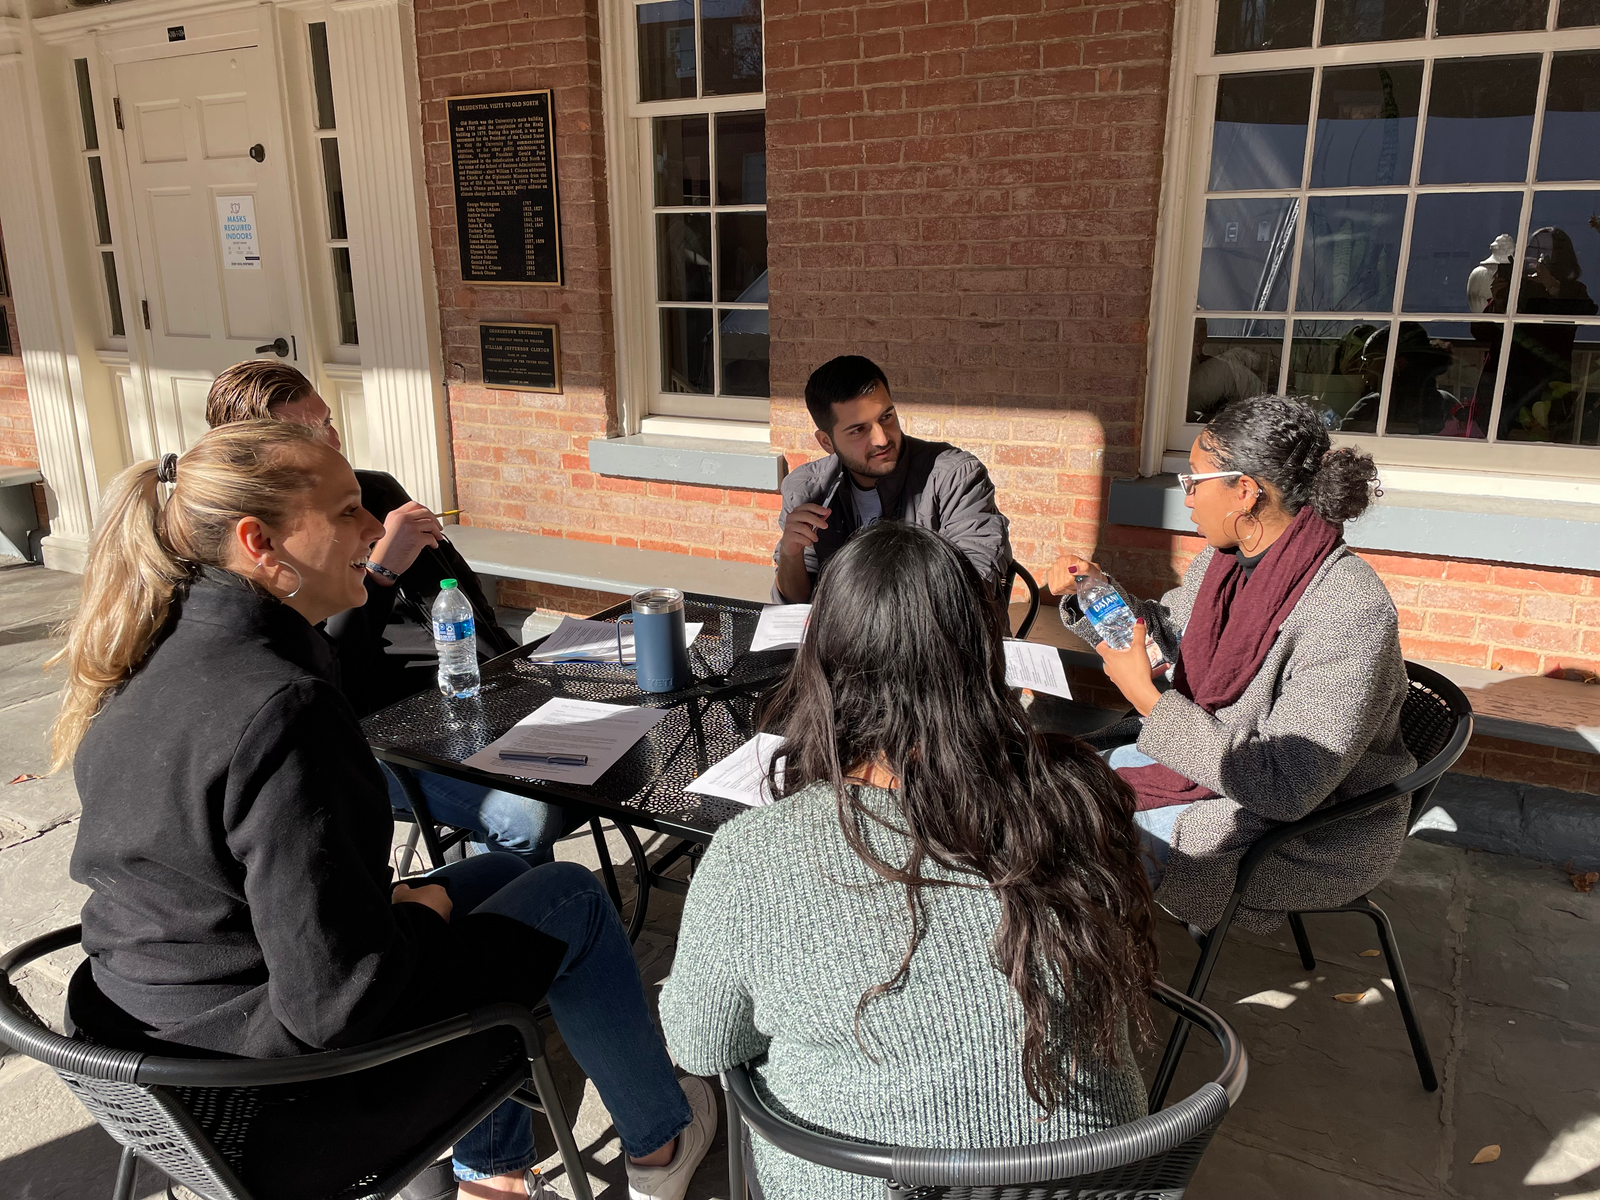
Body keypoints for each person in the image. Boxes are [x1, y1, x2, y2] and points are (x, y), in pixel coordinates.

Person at [54, 422, 717, 1200]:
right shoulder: (283, 707)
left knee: (503, 868)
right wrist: (420, 915)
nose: (371, 532)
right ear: (258, 542)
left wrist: (396, 907)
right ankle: (657, 1146)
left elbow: (231, 897)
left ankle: (493, 1174)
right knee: (567, 897)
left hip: (157, 1054)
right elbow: (340, 1001)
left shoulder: (141, 657)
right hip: (282, 1102)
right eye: (344, 514)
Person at [662, 522, 1156, 1200]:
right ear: (980, 654)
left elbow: (701, 1045)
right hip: (1100, 1182)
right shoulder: (1079, 797)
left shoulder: (750, 857)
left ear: (824, 663)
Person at [1042, 395, 1414, 934]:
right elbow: (1164, 637)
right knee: (1038, 792)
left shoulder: (1349, 609)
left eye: (1193, 481)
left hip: (1305, 833)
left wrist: (1149, 700)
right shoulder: (1223, 566)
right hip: (1209, 774)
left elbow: (1287, 786)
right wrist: (1093, 590)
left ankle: (1080, 984)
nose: (1186, 497)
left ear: (1244, 491)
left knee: (1056, 842)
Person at [206, 361, 582, 866]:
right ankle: (500, 919)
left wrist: (519, 680)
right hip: (372, 736)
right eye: (306, 433)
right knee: (528, 812)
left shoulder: (375, 492)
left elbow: (459, 597)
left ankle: (505, 900)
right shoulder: (254, 552)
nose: (332, 442)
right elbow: (328, 683)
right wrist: (379, 572)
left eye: (329, 422)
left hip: (463, 698)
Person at [772, 355, 1012, 603]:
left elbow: (972, 590)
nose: (882, 439)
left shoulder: (955, 477)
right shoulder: (806, 488)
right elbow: (796, 604)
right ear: (826, 442)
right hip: (841, 638)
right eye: (858, 430)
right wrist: (791, 555)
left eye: (886, 417)